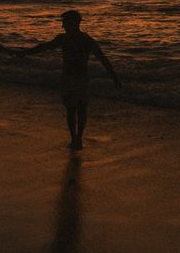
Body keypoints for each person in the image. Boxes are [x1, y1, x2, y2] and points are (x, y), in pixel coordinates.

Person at [18, 10, 121, 150]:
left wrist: (114, 76)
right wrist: (26, 52)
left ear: (75, 23)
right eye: (64, 23)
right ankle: (75, 138)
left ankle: (77, 138)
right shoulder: (68, 39)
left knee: (78, 109)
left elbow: (102, 58)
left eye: (65, 22)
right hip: (69, 78)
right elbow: (44, 47)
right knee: (74, 109)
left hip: (79, 78)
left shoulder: (83, 40)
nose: (63, 26)